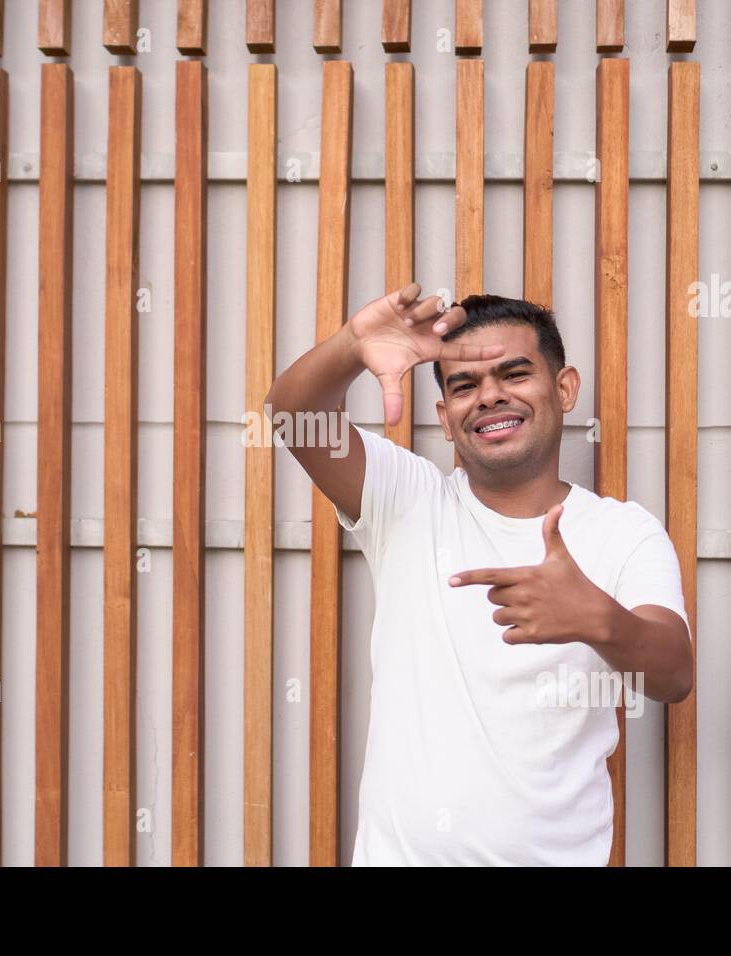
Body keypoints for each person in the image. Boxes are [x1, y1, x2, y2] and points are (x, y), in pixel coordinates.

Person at [264, 283, 694, 865]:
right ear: (445, 418)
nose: (489, 396)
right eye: (465, 386)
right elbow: (294, 415)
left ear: (565, 389)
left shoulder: (624, 533)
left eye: (515, 375)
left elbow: (673, 674)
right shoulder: (407, 499)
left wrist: (598, 619)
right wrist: (350, 345)